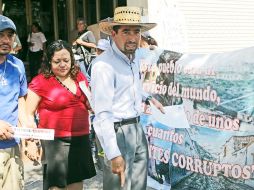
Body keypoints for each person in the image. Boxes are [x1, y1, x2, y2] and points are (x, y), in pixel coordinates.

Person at [91, 6, 163, 190]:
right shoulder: (103, 65)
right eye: (126, 32)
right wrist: (113, 153)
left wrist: (148, 98)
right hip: (116, 132)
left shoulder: (133, 57)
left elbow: (130, 88)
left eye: (136, 32)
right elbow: (103, 114)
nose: (132, 37)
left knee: (139, 186)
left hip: (137, 129)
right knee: (119, 186)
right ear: (113, 34)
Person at [26, 40, 96, 190]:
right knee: (57, 185)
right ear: (49, 62)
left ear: (72, 59)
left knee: (76, 181)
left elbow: (88, 102)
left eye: (66, 60)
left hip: (80, 137)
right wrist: (31, 142)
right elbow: (28, 114)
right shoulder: (40, 82)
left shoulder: (79, 77)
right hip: (55, 141)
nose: (63, 64)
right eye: (57, 61)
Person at [0, 15, 27, 190]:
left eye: (10, 35)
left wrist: (28, 138)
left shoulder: (17, 65)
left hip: (13, 146)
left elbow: (21, 101)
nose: (6, 40)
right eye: (1, 35)